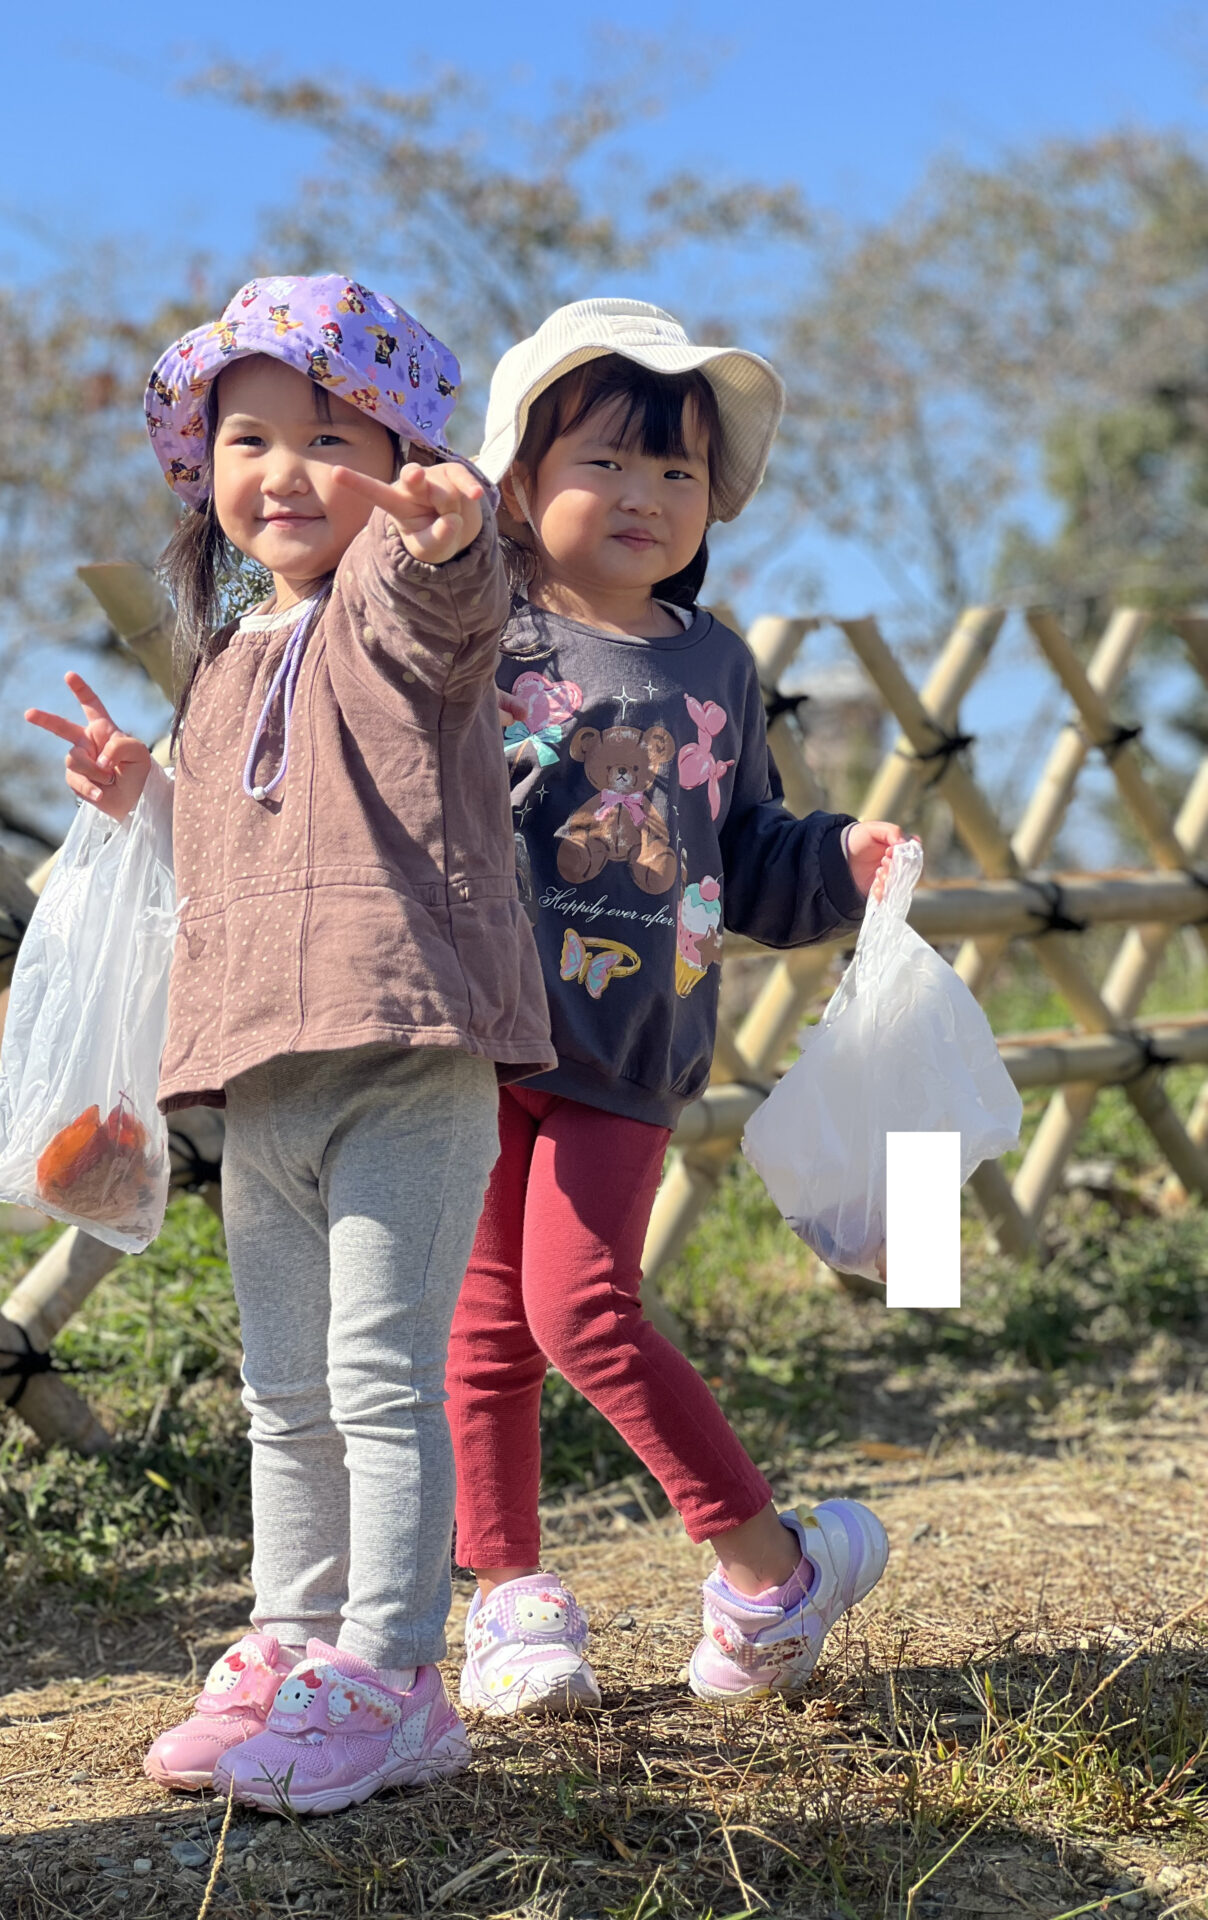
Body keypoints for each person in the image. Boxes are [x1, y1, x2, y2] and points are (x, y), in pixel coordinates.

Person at [26, 273, 553, 1813]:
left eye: (334, 437)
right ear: (205, 473)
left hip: (405, 1052)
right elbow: (244, 844)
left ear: (402, 459)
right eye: (247, 438)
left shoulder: (396, 608)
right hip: (264, 1073)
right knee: (286, 1390)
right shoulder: (228, 659)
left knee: (380, 1379)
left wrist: (447, 539)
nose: (284, 470)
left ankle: (391, 1676)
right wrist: (147, 795)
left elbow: (452, 610)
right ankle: (290, 1639)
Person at [444, 298, 909, 1718]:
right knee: (481, 1333)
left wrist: (839, 858)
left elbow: (746, 848)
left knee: (582, 1310)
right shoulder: (476, 633)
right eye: (604, 460)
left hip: (629, 1048)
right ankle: (510, 1602)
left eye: (678, 470)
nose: (644, 493)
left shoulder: (712, 664)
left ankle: (770, 1569)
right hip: (470, 1035)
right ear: (517, 478)